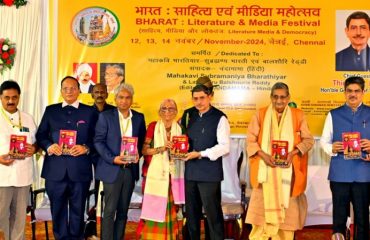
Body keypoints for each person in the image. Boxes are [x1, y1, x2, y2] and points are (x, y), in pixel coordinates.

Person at [245, 82, 314, 240]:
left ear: (288, 98)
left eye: (283, 97)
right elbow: (250, 140)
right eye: (275, 97)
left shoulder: (298, 115)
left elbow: (309, 141)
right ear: (271, 97)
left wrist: (293, 153)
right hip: (265, 176)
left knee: (286, 225)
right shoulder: (260, 114)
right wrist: (263, 155)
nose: (279, 101)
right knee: (259, 222)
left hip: (289, 178)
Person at [36, 76, 98, 239]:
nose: (69, 91)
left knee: (78, 209)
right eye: (65, 88)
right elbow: (41, 135)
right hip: (55, 171)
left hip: (80, 170)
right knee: (58, 209)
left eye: (73, 88)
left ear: (79, 90)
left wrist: (85, 148)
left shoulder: (90, 112)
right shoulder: (51, 110)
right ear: (61, 90)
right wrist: (49, 145)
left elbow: (98, 138)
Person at [180, 76, 230, 240]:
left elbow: (224, 147)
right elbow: (181, 139)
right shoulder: (188, 115)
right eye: (195, 99)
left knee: (212, 215)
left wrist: (201, 153)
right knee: (191, 216)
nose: (199, 102)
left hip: (209, 174)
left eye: (202, 98)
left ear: (210, 96)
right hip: (190, 173)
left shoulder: (220, 118)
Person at [320, 76, 370, 240]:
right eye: (349, 91)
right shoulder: (334, 114)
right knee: (339, 217)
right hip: (340, 174)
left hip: (364, 174)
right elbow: (323, 142)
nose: (353, 94)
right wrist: (332, 148)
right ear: (344, 93)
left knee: (362, 218)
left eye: (357, 91)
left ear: (363, 92)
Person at [94, 83, 146, 240]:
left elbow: (142, 142)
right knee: (109, 210)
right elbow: (98, 141)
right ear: (115, 99)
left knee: (123, 211)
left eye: (127, 97)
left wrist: (138, 155)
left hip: (130, 170)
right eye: (121, 97)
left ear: (132, 99)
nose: (124, 101)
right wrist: (112, 158)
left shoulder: (138, 117)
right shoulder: (105, 117)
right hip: (112, 169)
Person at [139, 99, 185, 239]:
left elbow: (184, 151)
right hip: (155, 176)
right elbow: (144, 150)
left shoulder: (181, 128)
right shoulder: (153, 126)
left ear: (176, 112)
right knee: (154, 207)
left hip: (173, 175)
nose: (167, 111)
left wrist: (182, 150)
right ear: (159, 112)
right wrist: (162, 148)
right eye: (164, 108)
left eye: (171, 109)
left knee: (172, 210)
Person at [0, 80, 38, 240]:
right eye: (7, 97)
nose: (10, 101)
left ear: (19, 98)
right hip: (2, 177)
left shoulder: (28, 118)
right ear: (0, 98)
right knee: (1, 216)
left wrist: (34, 148)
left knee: (19, 219)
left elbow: (38, 142)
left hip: (23, 176)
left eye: (14, 97)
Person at [85, 83, 115, 239]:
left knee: (104, 195)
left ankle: (105, 229)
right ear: (92, 95)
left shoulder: (113, 112)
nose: (99, 94)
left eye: (102, 92)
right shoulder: (87, 112)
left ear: (107, 94)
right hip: (89, 158)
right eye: (96, 92)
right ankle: (90, 229)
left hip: (107, 159)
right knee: (89, 194)